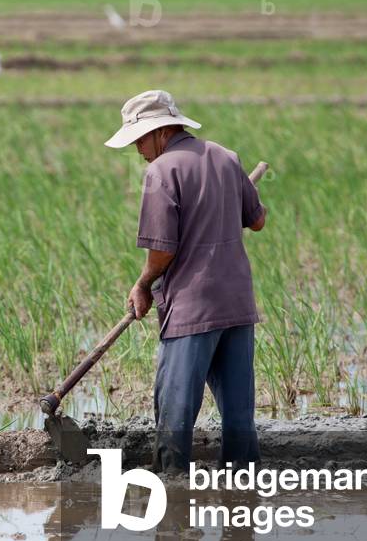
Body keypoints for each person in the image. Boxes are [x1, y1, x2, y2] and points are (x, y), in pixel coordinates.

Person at [104, 90, 266, 472]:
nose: (139, 150)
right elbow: (257, 221)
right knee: (239, 418)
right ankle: (242, 501)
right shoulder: (226, 158)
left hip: (192, 309)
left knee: (174, 416)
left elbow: (163, 250)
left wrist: (143, 284)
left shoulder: (161, 172)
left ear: (160, 131)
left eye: (140, 140)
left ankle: (172, 502)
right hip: (237, 305)